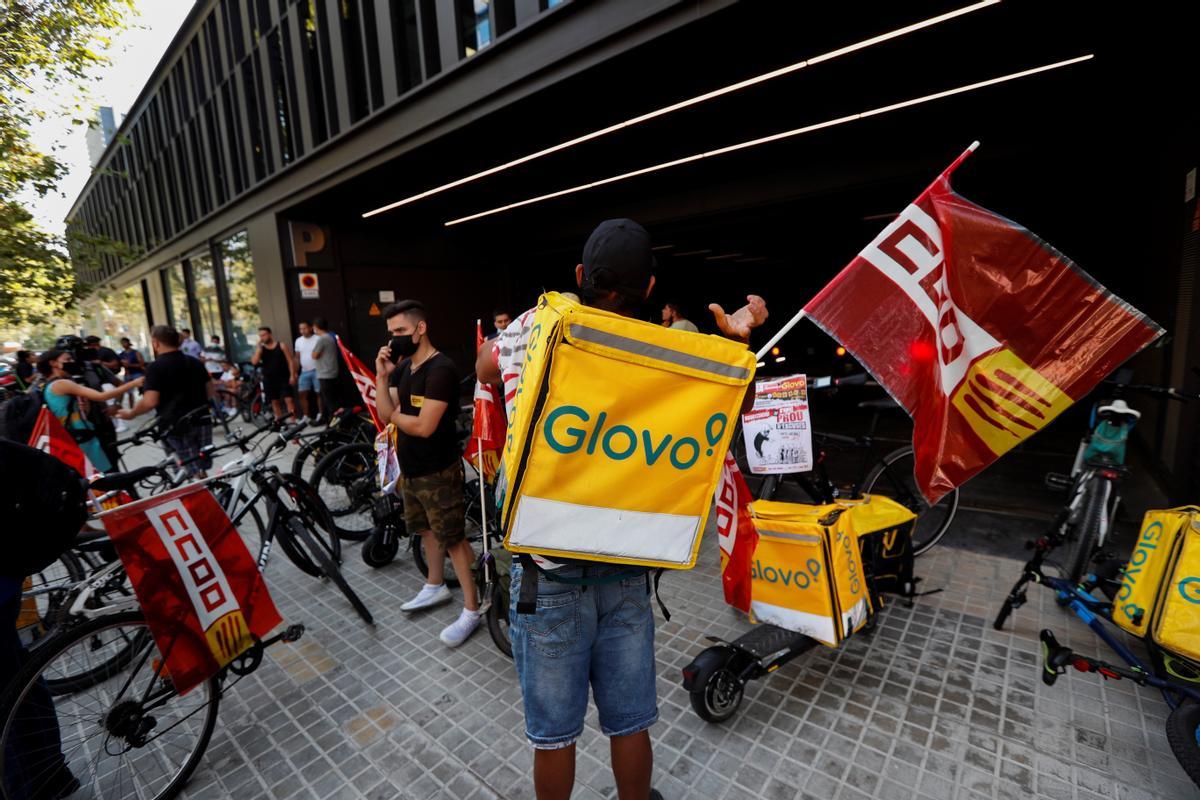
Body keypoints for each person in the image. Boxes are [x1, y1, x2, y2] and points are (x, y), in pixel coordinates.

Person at [478, 218, 767, 800]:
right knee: (630, 722)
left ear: (581, 276)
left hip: (546, 575)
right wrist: (737, 342)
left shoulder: (536, 330)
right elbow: (736, 400)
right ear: (652, 290)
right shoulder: (667, 353)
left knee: (554, 737)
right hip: (629, 572)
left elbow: (485, 365)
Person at [373, 301, 479, 646]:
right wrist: (382, 375)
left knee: (453, 539)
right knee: (425, 531)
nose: (395, 339)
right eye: (391, 333)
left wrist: (396, 418)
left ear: (421, 329)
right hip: (412, 468)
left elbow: (423, 426)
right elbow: (384, 409)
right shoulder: (404, 369)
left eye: (401, 331)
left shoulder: (441, 370)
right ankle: (435, 587)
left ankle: (472, 609)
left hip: (439, 469)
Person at [118, 325, 215, 478]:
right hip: (202, 420)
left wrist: (131, 413)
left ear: (155, 343)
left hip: (177, 425)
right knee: (200, 467)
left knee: (189, 471)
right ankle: (213, 493)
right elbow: (211, 392)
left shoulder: (155, 367)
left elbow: (150, 401)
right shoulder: (195, 362)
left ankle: (206, 499)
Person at [36, 349, 142, 473]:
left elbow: (80, 412)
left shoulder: (48, 386)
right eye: (67, 359)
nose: (72, 362)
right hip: (82, 438)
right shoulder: (61, 384)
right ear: (53, 363)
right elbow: (101, 396)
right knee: (104, 476)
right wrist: (133, 383)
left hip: (79, 435)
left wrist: (84, 405)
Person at [250, 326, 297, 420]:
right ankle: (279, 422)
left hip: (283, 377)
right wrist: (258, 349)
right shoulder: (261, 349)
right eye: (260, 336)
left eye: (264, 335)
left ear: (270, 334)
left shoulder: (281, 345)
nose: (262, 337)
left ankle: (293, 422)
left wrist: (292, 375)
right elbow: (254, 362)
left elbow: (290, 361)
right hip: (269, 379)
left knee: (289, 399)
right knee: (274, 401)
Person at [310, 318, 340, 424]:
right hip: (330, 372)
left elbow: (314, 355)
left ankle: (333, 422)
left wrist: (317, 353)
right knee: (328, 398)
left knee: (329, 400)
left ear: (316, 327)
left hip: (325, 373)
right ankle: (326, 419)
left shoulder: (322, 339)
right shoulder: (331, 337)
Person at [293, 321, 320, 422]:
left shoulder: (317, 338)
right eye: (300, 329)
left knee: (319, 393)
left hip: (317, 369)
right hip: (304, 371)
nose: (302, 331)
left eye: (304, 328)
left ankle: (320, 414)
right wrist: (295, 372)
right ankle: (306, 416)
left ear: (310, 328)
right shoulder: (298, 341)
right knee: (302, 393)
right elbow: (297, 357)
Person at [117, 338, 147, 409]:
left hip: (137, 373)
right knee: (129, 392)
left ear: (128, 343)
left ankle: (146, 405)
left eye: (125, 342)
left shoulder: (136, 353)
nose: (124, 344)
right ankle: (132, 408)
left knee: (142, 389)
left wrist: (130, 365)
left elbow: (141, 363)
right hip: (127, 374)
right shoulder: (121, 354)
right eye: (122, 343)